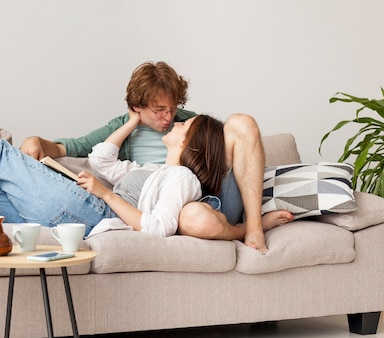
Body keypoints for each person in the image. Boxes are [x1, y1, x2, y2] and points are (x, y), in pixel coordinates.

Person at [20, 61, 293, 251]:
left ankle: (255, 227)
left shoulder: (186, 123)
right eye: (158, 110)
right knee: (191, 216)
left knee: (242, 122)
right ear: (137, 106)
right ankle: (241, 230)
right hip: (184, 211)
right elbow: (74, 148)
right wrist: (37, 141)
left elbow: (229, 148)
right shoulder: (121, 130)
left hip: (216, 195)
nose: (168, 118)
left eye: (173, 109)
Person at [0, 112, 229, 238]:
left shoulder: (184, 179)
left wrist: (106, 194)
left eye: (185, 123)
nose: (177, 121)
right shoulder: (158, 171)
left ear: (192, 142)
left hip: (95, 212)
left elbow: (157, 227)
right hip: (75, 214)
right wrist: (131, 120)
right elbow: (101, 158)